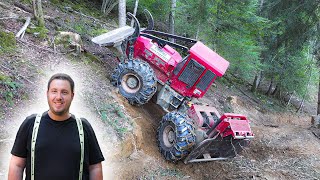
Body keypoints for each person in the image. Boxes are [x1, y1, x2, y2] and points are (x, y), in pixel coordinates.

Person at [8, 73, 104, 180]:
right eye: (54, 91)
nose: (58, 97)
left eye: (64, 92)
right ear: (47, 94)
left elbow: (95, 167)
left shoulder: (83, 127)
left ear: (72, 96)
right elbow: (17, 165)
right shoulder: (31, 124)